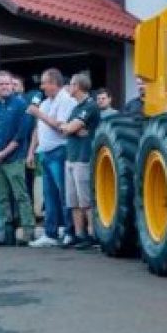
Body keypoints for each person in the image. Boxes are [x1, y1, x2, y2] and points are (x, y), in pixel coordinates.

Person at [0, 71, 35, 244]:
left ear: (12, 85)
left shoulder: (21, 105)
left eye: (7, 84)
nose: (4, 87)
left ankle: (28, 231)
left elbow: (21, 135)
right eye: (0, 84)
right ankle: (6, 233)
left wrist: (2, 153)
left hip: (14, 158)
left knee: (21, 195)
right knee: (1, 197)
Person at [25, 68, 74, 246]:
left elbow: (61, 127)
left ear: (54, 83)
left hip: (60, 151)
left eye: (44, 82)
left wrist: (38, 113)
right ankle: (50, 233)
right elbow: (38, 129)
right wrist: (31, 151)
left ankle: (70, 232)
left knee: (64, 193)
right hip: (44, 153)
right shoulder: (45, 103)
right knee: (49, 195)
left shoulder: (66, 101)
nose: (42, 86)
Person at [60, 70, 102, 249]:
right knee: (73, 201)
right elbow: (66, 127)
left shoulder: (90, 106)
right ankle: (79, 234)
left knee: (86, 200)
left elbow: (69, 128)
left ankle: (93, 235)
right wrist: (69, 127)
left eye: (70, 84)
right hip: (71, 157)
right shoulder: (76, 107)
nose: (68, 87)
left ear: (77, 86)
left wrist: (70, 128)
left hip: (83, 158)